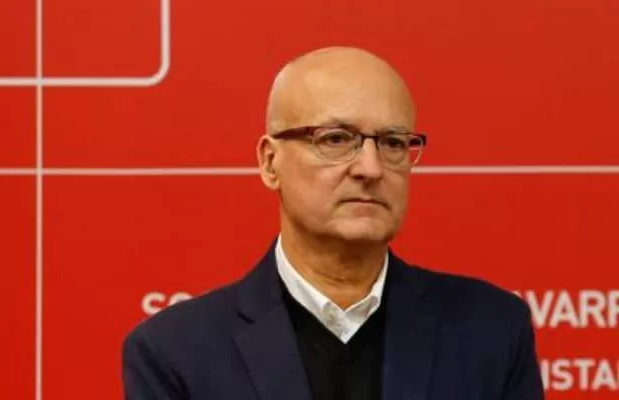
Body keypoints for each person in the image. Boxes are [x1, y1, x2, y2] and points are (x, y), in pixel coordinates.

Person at [122, 46, 544, 400]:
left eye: (393, 143)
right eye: (336, 139)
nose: (370, 168)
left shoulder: (491, 329)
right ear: (270, 162)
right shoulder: (176, 352)